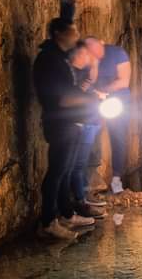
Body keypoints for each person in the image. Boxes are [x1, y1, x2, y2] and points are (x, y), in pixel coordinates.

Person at [32, 19, 96, 242]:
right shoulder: (49, 60)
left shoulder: (59, 59)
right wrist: (90, 100)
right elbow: (62, 98)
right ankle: (48, 222)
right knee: (57, 172)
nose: (77, 35)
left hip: (69, 122)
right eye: (73, 31)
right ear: (59, 33)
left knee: (65, 170)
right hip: (59, 123)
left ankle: (66, 214)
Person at [67, 38, 108, 219]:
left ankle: (84, 196)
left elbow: (87, 88)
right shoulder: (76, 68)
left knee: (82, 162)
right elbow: (78, 91)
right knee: (77, 164)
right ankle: (80, 201)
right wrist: (94, 95)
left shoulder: (91, 65)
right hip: (80, 120)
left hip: (90, 119)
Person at [94, 37, 133, 195]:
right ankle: (91, 178)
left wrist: (104, 91)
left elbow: (124, 81)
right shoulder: (90, 57)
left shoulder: (117, 53)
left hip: (117, 101)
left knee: (118, 138)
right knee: (91, 136)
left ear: (102, 43)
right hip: (95, 100)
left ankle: (116, 179)